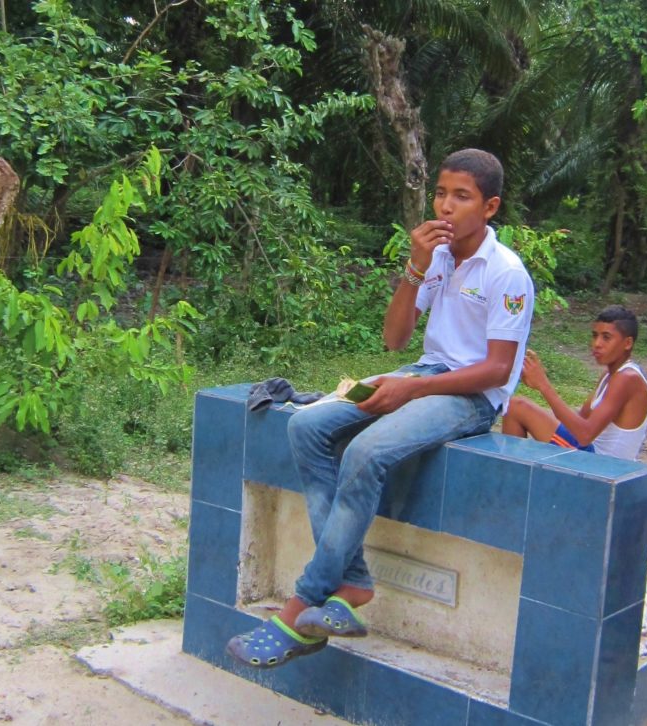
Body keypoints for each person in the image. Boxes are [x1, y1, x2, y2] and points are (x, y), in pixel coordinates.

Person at [226, 148, 535, 669]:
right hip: (423, 372)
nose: (446, 205)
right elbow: (395, 340)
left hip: (469, 398)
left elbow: (498, 370)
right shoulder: (435, 256)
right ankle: (355, 582)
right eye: (440, 192)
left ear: (490, 207)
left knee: (367, 451)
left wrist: (411, 391)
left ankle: (304, 601)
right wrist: (415, 267)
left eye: (462, 196)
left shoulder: (507, 274)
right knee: (307, 425)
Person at [500, 305, 647, 460]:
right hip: (592, 454)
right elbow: (578, 423)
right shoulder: (609, 375)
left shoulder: (627, 378)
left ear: (627, 343)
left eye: (606, 337)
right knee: (517, 408)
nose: (597, 343)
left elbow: (585, 435)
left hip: (603, 467)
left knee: (516, 407)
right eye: (595, 336)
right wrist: (541, 415)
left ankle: (509, 480)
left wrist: (544, 386)